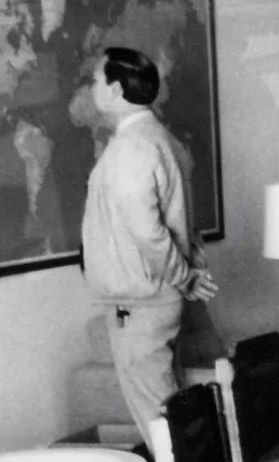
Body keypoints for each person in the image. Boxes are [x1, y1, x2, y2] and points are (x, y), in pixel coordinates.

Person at [80, 47, 217, 440]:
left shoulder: (132, 148)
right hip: (154, 296)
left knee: (160, 419)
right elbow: (184, 224)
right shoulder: (161, 139)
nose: (92, 88)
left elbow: (148, 231)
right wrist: (191, 272)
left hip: (141, 301)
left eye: (96, 80)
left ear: (117, 88)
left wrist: (186, 278)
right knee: (169, 411)